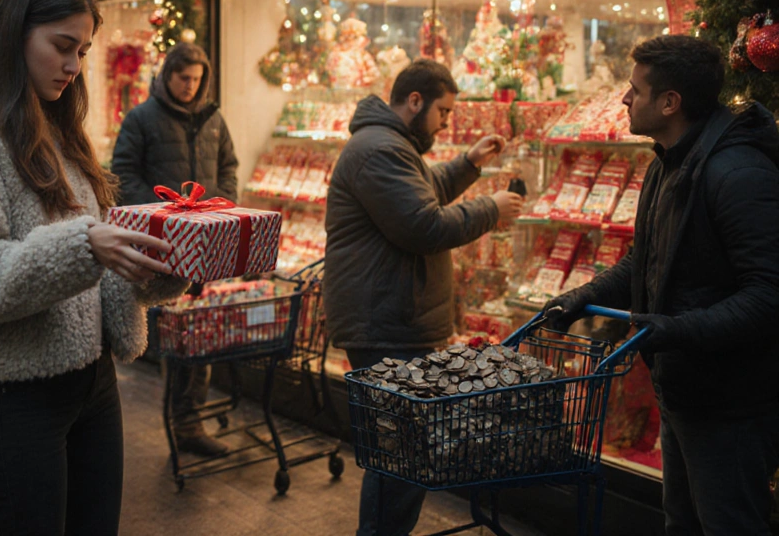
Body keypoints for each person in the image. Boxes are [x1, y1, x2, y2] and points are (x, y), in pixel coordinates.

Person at [0, 0, 187, 536]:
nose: (74, 66)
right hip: (14, 401)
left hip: (94, 385)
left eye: (84, 50)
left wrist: (160, 264)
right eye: (63, 46)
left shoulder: (58, 125)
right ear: (16, 35)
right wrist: (86, 244)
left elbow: (96, 266)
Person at [544, 36, 779, 536]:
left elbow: (768, 294)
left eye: (635, 90)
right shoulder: (667, 164)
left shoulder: (737, 173)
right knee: (683, 524)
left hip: (730, 404)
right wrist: (583, 296)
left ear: (670, 102)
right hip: (682, 391)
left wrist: (674, 329)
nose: (625, 99)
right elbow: (643, 260)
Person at [323, 59, 524, 536]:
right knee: (401, 456)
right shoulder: (379, 150)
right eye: (444, 112)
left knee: (402, 452)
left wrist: (468, 164)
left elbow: (420, 193)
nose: (446, 123)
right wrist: (489, 210)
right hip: (386, 321)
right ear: (415, 102)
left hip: (395, 315)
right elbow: (423, 224)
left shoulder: (390, 145)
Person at [111, 41, 238, 457]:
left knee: (199, 335)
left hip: (207, 245)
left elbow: (228, 166)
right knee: (179, 339)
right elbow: (123, 176)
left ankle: (189, 422)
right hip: (162, 248)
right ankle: (183, 423)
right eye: (183, 77)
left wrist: (226, 206)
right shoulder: (141, 118)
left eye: (197, 79)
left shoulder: (213, 118)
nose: (190, 86)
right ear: (167, 75)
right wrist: (163, 217)